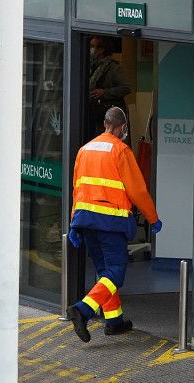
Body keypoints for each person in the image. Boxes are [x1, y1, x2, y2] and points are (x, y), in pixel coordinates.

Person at [66, 107, 161, 343]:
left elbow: (77, 189)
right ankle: (83, 310)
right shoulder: (120, 150)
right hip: (110, 222)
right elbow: (137, 190)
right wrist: (152, 218)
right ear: (121, 127)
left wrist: (73, 224)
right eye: (125, 128)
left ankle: (114, 320)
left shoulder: (84, 150)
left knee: (104, 272)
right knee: (115, 272)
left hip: (86, 221)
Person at [87, 37, 130, 128]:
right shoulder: (89, 66)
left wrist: (104, 92)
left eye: (92, 46)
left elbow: (126, 88)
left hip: (107, 114)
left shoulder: (113, 68)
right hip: (92, 114)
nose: (89, 49)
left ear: (101, 50)